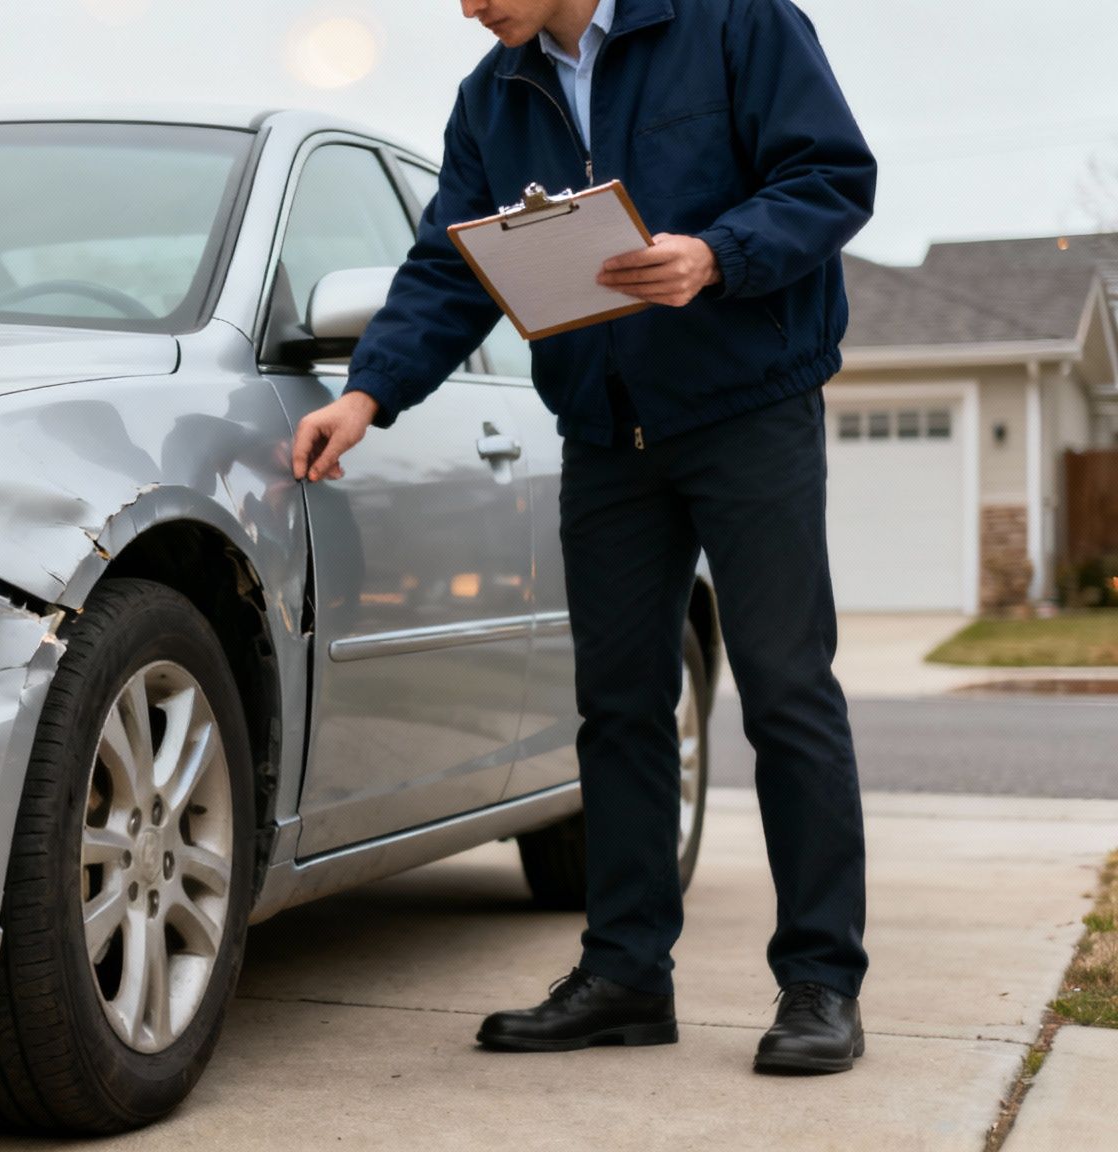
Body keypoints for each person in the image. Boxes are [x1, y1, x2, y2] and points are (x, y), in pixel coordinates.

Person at [290, 0, 876, 1074]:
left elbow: (831, 179)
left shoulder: (734, 23)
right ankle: (624, 977)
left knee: (787, 690)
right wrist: (367, 394)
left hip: (749, 410)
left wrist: (715, 255)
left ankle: (819, 984)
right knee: (614, 707)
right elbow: (448, 269)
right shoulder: (492, 95)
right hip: (605, 433)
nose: (467, 8)